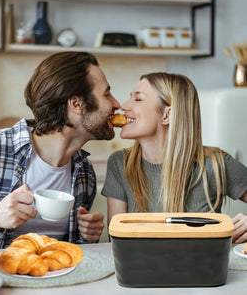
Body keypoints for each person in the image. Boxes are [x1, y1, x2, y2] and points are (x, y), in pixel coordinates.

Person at [0, 51, 120, 251]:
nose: (116, 104)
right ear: (76, 104)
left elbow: (69, 255)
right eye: (107, 94)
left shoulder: (84, 173)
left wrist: (87, 237)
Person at [101, 72, 247, 244]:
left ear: (167, 115)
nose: (124, 106)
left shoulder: (215, 163)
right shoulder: (120, 163)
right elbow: (117, 241)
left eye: (138, 99)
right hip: (141, 268)